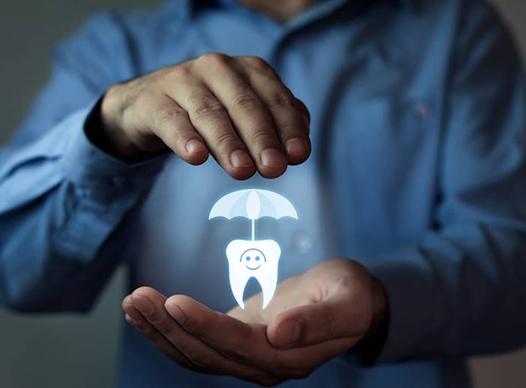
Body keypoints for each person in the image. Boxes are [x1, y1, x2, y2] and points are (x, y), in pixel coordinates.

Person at [1, 0, 525, 386]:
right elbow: (17, 274)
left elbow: (514, 259)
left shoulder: (454, 30)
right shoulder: (117, 49)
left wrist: (383, 297)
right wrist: (109, 135)